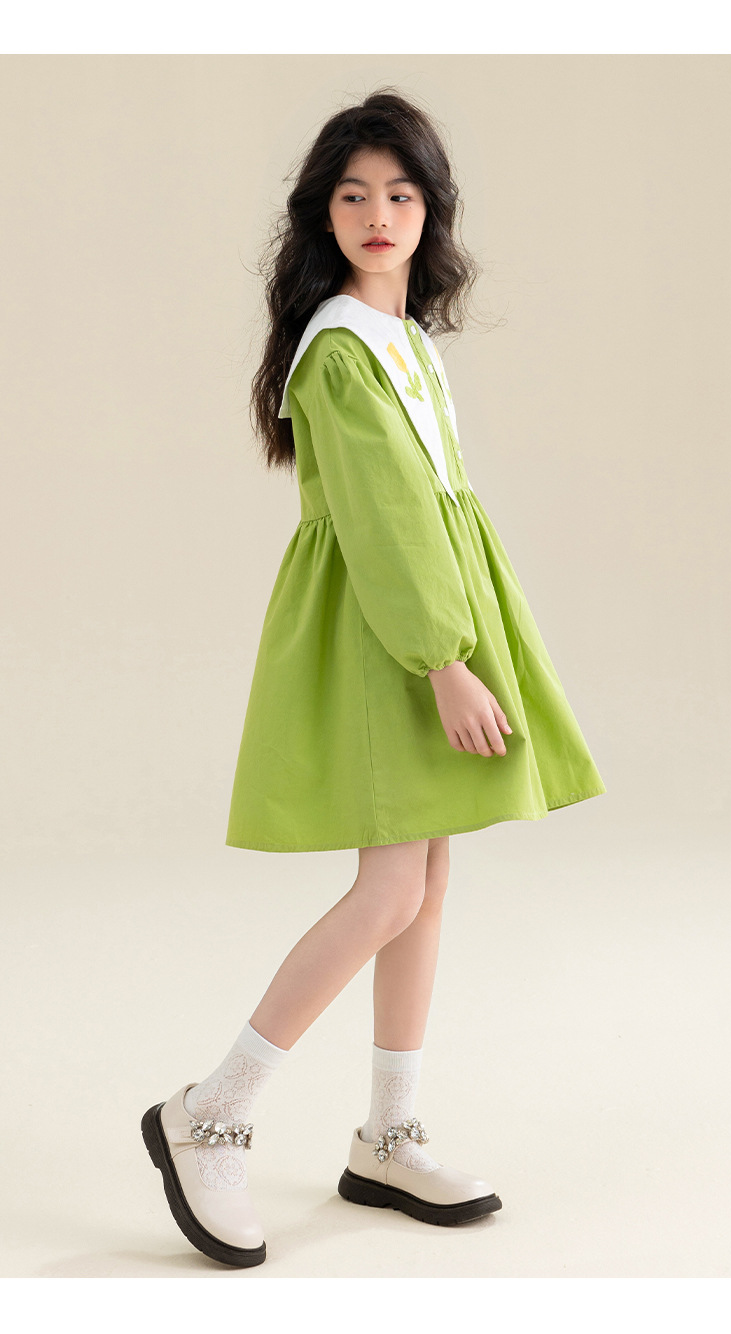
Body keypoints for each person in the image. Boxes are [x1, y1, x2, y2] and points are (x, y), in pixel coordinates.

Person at [141, 87, 607, 1269]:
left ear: (430, 210)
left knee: (425, 878)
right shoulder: (341, 348)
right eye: (353, 194)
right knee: (393, 884)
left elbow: (429, 510)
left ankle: (387, 1135)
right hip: (389, 631)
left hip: (418, 618)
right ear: (323, 215)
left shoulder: (404, 343)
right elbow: (387, 521)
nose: (378, 213)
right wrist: (444, 658)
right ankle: (211, 1109)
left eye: (400, 193)